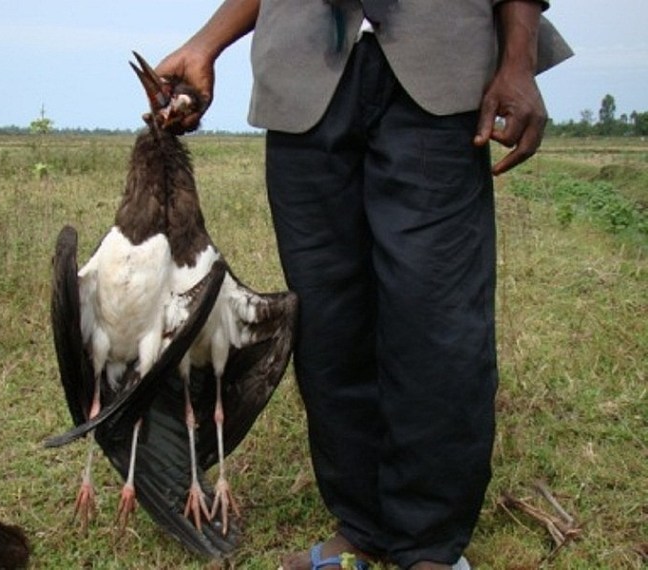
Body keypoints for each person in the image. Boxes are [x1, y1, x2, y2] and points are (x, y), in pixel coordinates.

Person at [156, 1, 572, 569]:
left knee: (437, 318)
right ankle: (362, 528)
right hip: (304, 79)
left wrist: (518, 63)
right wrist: (206, 45)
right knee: (329, 322)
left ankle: (429, 546)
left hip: (440, 66)